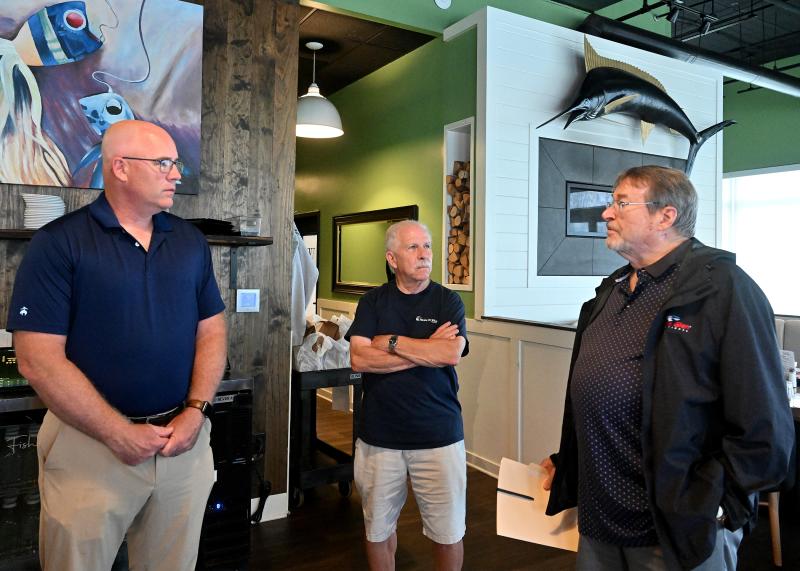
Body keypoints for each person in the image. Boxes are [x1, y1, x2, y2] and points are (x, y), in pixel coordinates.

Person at [541, 165, 794, 570]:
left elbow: (765, 428)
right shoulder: (612, 289)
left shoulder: (722, 288)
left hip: (676, 531)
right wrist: (567, 461)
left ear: (665, 216)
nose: (606, 213)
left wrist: (713, 502)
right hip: (599, 520)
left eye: (622, 202)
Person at [7, 120, 227, 571]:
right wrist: (116, 433)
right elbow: (37, 360)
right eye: (163, 163)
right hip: (90, 448)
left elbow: (212, 331)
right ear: (120, 168)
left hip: (181, 444)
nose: (176, 174)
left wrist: (196, 411)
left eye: (176, 163)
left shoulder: (189, 242)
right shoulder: (58, 243)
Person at [346, 220, 469, 571]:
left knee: (448, 533)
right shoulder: (373, 302)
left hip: (439, 435)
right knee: (378, 530)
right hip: (379, 437)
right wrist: (426, 350)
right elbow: (360, 359)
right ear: (392, 258)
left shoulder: (448, 301)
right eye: (413, 247)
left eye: (427, 246)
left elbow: (450, 354)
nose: (424, 254)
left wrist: (393, 342)